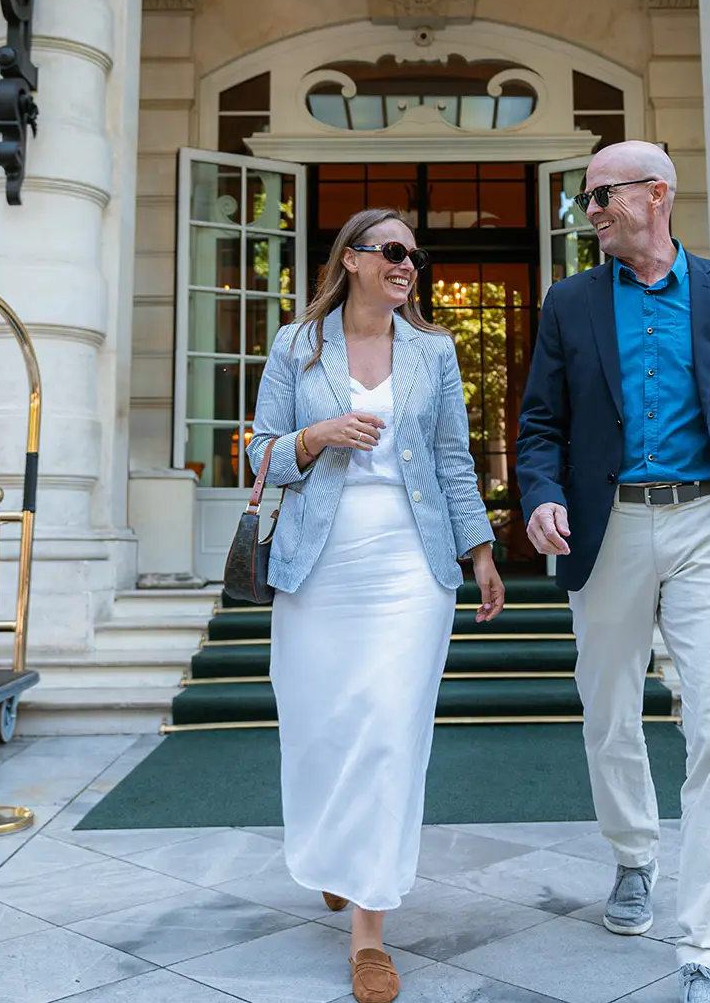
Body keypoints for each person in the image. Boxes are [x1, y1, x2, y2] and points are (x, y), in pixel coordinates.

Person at [515, 142, 710, 1003]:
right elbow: (539, 425)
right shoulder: (569, 303)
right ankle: (634, 855)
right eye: (587, 196)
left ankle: (708, 945)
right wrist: (539, 495)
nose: (591, 208)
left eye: (605, 193)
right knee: (609, 711)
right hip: (609, 528)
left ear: (658, 195)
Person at [246, 207, 505, 1003]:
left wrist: (482, 550)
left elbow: (455, 458)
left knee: (391, 731)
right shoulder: (298, 345)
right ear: (351, 259)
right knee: (323, 727)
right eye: (393, 251)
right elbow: (258, 453)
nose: (408, 264)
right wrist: (317, 433)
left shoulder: (433, 350)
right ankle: (338, 855)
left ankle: (369, 926)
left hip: (408, 565)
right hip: (319, 563)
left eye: (414, 255)